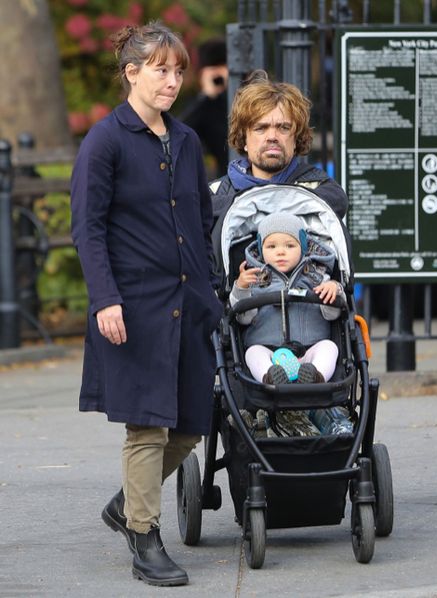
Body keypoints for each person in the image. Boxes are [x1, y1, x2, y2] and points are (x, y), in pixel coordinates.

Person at [70, 21, 222, 587]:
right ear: (131, 73)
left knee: (189, 424)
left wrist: (212, 288)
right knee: (148, 427)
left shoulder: (183, 141)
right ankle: (145, 536)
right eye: (162, 69)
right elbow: (87, 229)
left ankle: (126, 503)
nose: (173, 80)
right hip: (132, 307)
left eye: (178, 70)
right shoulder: (104, 142)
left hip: (189, 302)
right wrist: (106, 299)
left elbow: (200, 222)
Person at [230, 212, 352, 436]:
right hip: (269, 353)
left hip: (308, 354)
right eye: (271, 246)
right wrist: (241, 288)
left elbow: (332, 315)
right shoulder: (254, 280)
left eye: (290, 245)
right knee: (252, 352)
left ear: (304, 247)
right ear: (260, 249)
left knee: (330, 348)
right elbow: (243, 318)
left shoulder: (317, 277)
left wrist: (334, 289)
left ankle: (315, 377)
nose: (280, 251)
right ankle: (270, 376)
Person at [210, 70, 348, 232]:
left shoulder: (321, 188)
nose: (272, 137)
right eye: (261, 128)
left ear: (296, 138)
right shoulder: (214, 193)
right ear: (243, 139)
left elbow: (338, 202)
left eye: (283, 128)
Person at [180, 38, 228, 177]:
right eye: (213, 68)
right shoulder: (201, 104)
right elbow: (180, 132)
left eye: (222, 66)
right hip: (224, 177)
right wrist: (207, 95)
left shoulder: (245, 93)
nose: (218, 74)